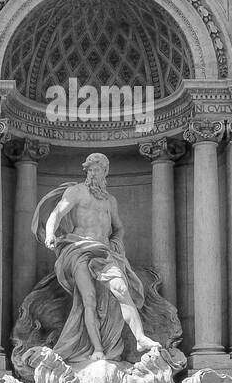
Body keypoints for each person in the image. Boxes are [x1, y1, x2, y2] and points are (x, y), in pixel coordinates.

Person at [37, 152, 159, 364]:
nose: (93, 173)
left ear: (105, 172)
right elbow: (57, 213)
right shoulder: (77, 191)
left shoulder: (110, 201)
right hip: (78, 248)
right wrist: (50, 234)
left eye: (97, 169)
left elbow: (119, 228)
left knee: (122, 289)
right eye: (90, 169)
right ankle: (97, 349)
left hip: (104, 252)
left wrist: (116, 243)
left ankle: (140, 338)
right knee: (89, 299)